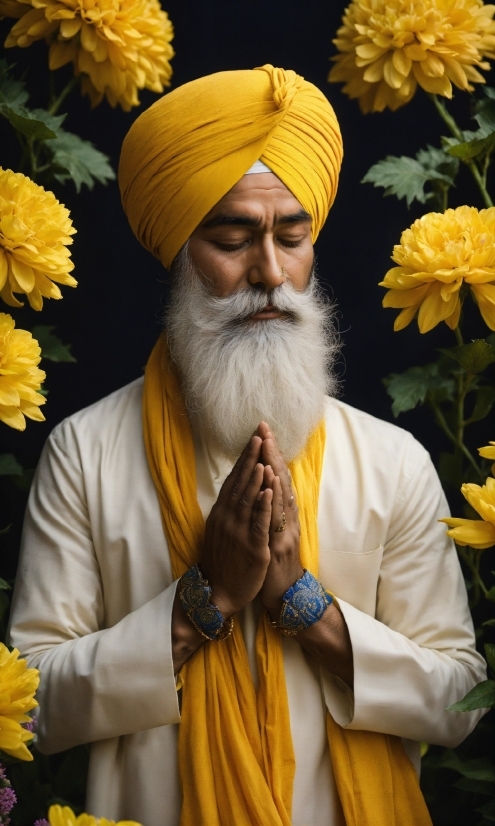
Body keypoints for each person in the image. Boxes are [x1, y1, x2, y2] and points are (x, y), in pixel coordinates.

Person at [9, 66, 486, 826]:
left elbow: (459, 699)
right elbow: (28, 708)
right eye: (232, 239)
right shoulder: (85, 452)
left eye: (291, 238)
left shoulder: (391, 461)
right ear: (178, 252)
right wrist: (205, 600)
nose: (268, 273)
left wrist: (302, 602)